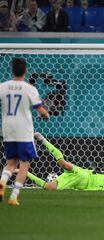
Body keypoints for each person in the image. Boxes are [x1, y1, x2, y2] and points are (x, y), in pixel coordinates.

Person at [0, 58, 50, 206]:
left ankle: (2, 182)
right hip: (23, 130)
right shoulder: (29, 88)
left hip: (8, 128)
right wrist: (45, 115)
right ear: (25, 70)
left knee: (10, 164)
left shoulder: (3, 87)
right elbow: (40, 110)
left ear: (12, 70)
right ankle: (14, 196)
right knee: (24, 163)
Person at [26, 133, 104, 191]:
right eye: (52, 179)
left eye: (52, 179)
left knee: (63, 163)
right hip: (83, 181)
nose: (53, 179)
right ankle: (24, 170)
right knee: (49, 187)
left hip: (81, 173)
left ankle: (43, 141)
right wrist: (25, 173)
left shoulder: (99, 177)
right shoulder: (64, 180)